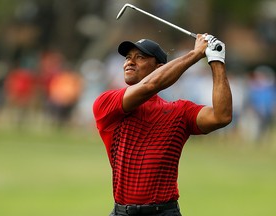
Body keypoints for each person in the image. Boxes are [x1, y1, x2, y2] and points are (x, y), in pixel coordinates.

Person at [93, 34, 232, 216]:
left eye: (140, 57)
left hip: (165, 212)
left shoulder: (180, 111)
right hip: (122, 212)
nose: (129, 63)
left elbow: (222, 116)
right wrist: (196, 53)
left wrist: (216, 60)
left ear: (159, 68)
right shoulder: (108, 103)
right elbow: (150, 86)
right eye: (128, 57)